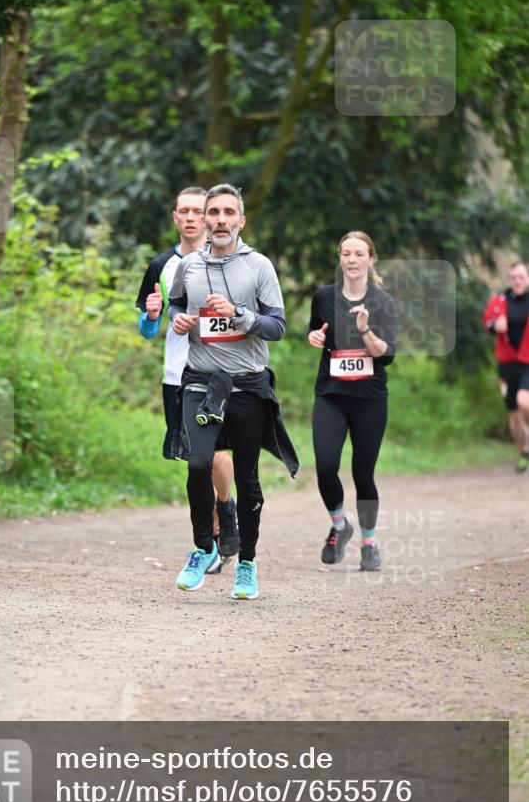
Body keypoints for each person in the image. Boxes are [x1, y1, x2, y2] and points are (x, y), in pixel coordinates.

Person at [168, 183, 298, 600]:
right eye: (214, 212)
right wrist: (178, 320)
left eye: (228, 213)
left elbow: (277, 326)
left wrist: (241, 315)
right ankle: (203, 548)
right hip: (201, 382)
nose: (220, 220)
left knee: (246, 476)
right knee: (198, 464)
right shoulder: (190, 266)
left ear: (241, 220)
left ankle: (246, 562)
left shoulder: (259, 266)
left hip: (247, 384)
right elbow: (176, 304)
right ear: (205, 219)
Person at [135, 187, 240, 565]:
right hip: (178, 375)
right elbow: (148, 331)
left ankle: (225, 512)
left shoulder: (232, 262)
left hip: (223, 374)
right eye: (185, 211)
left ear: (209, 216)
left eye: (199, 210)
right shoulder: (161, 266)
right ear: (176, 217)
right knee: (197, 461)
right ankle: (211, 539)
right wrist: (151, 316)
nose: (192, 217)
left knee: (218, 459)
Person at [308, 232, 398, 572]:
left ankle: (369, 543)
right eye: (346, 253)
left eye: (359, 253)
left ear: (370, 259)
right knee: (325, 466)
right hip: (331, 395)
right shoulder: (323, 296)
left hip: (369, 400)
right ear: (340, 258)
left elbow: (386, 355)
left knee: (363, 472)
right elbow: (316, 331)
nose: (352, 259)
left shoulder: (383, 302)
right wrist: (314, 337)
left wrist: (364, 329)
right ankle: (339, 525)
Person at [482, 260, 529, 472]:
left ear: (527, 279)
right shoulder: (499, 300)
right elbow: (487, 322)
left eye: (521, 277)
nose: (517, 281)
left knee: (524, 401)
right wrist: (495, 326)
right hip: (507, 364)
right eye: (513, 278)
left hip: (527, 361)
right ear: (509, 279)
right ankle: (523, 452)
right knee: (515, 415)